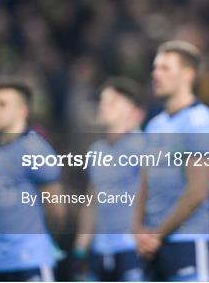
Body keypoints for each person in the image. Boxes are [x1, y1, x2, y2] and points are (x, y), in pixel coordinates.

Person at [133, 40, 209, 281]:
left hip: (187, 240)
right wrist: (137, 229)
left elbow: (197, 193)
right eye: (155, 68)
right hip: (151, 243)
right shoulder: (155, 125)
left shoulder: (201, 123)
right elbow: (145, 180)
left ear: (188, 75)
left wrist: (157, 234)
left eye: (165, 68)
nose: (156, 74)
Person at [0, 78, 64, 281]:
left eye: (2, 104)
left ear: (22, 110)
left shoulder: (37, 151)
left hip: (30, 260)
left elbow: (56, 209)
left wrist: (42, 242)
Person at [73, 77, 146, 281]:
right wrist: (81, 248)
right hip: (100, 247)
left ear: (132, 110)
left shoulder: (144, 147)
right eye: (103, 101)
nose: (104, 107)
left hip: (132, 248)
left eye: (112, 102)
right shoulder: (96, 151)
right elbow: (91, 202)